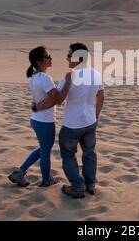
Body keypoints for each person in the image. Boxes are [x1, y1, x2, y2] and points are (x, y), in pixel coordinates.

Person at [34, 43, 104, 198]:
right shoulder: (96, 74)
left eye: (69, 55)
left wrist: (37, 106)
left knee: (68, 155)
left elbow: (57, 100)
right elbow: (101, 97)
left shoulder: (69, 77)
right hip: (90, 122)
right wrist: (95, 116)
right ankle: (90, 184)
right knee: (89, 153)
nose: (66, 58)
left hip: (72, 124)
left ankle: (78, 186)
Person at [8, 46, 71, 187]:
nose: (50, 59)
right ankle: (46, 179)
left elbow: (43, 99)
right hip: (45, 121)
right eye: (47, 56)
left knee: (43, 148)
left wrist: (37, 106)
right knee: (45, 150)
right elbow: (56, 99)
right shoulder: (45, 78)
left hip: (36, 119)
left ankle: (20, 173)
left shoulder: (33, 77)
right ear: (39, 61)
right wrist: (68, 83)